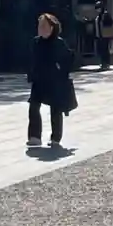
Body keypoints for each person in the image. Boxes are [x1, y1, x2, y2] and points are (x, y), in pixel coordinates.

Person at [27, 12, 75, 148]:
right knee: (33, 107)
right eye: (39, 26)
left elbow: (69, 59)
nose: (40, 29)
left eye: (44, 26)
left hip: (54, 81)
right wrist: (31, 74)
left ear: (52, 28)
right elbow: (31, 60)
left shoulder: (58, 43)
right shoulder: (36, 42)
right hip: (38, 80)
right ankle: (34, 136)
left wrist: (61, 70)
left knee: (56, 109)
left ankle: (55, 138)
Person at [95, 2, 113, 70]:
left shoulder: (105, 15)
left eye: (98, 8)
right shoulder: (98, 16)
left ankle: (106, 63)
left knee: (105, 50)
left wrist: (105, 24)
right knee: (101, 50)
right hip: (99, 35)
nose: (97, 9)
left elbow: (110, 22)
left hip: (105, 35)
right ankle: (103, 63)